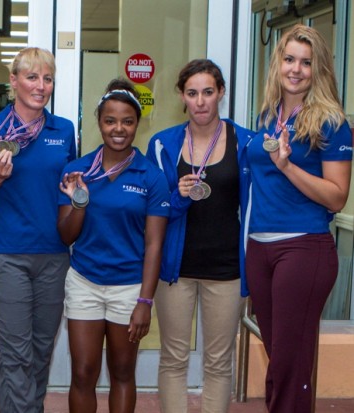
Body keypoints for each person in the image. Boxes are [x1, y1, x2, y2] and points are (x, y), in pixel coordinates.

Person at [245, 24, 352, 413]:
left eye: (306, 63)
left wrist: (288, 166)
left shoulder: (331, 121)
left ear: (318, 69)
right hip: (261, 249)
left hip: (304, 248)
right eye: (289, 59)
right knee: (281, 359)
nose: (296, 69)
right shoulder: (267, 115)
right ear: (277, 63)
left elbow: (337, 196)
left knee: (290, 364)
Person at [146, 59, 254, 413]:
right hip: (176, 269)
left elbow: (258, 204)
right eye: (192, 93)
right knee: (174, 358)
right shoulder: (163, 145)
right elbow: (156, 210)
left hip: (226, 270)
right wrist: (176, 195)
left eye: (208, 92)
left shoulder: (245, 143)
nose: (201, 101)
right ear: (182, 96)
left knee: (218, 362)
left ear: (221, 93)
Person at [57, 78, 170, 413]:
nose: (118, 128)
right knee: (82, 373)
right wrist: (79, 202)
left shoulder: (151, 176)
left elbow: (154, 244)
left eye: (127, 121)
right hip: (85, 283)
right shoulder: (77, 171)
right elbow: (66, 236)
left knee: (122, 372)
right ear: (99, 123)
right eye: (110, 120)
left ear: (137, 123)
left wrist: (145, 301)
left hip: (129, 288)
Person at [0, 47, 76, 413]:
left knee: (40, 350)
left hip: (54, 255)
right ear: (14, 81)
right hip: (10, 255)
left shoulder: (63, 130)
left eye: (47, 78)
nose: (41, 85)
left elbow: (67, 191)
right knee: (13, 351)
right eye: (32, 77)